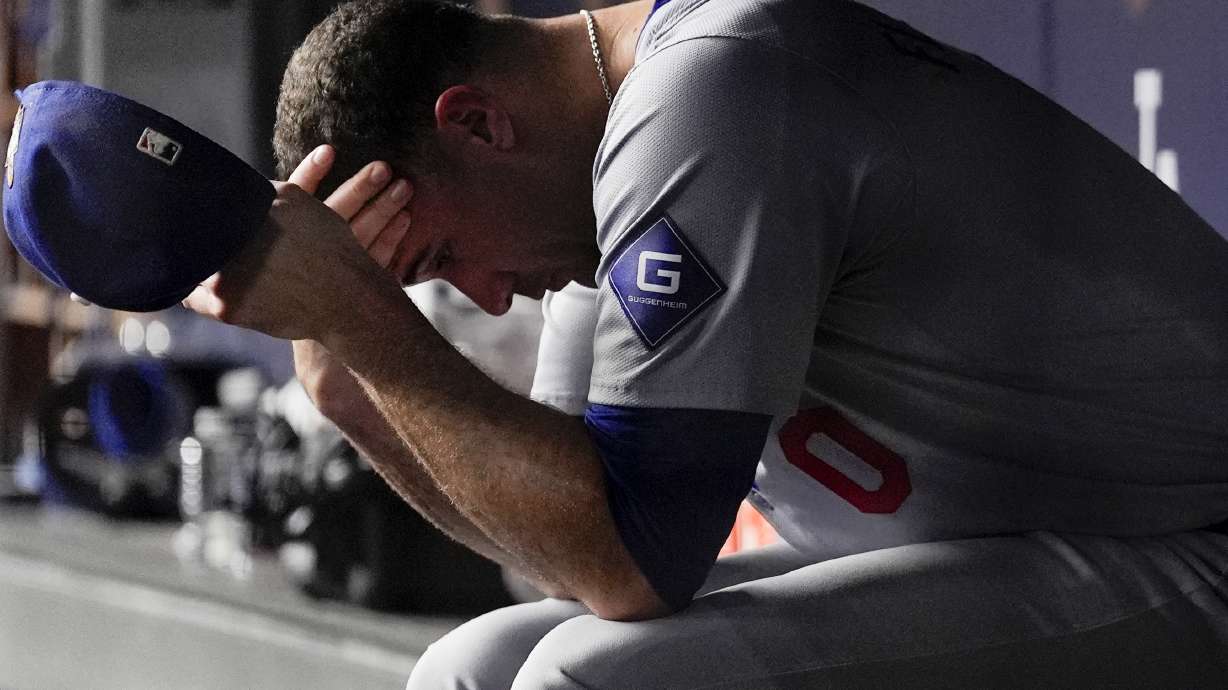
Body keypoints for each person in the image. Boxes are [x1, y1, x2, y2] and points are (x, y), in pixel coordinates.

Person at [184, 0, 1228, 686]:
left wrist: (370, 325)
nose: (487, 299)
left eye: (448, 252)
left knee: (579, 683)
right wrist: (341, 377)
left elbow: (630, 561)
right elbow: (559, 560)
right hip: (1005, 554)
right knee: (476, 667)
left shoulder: (706, 90)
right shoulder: (601, 185)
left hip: (1183, 541)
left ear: (476, 123)